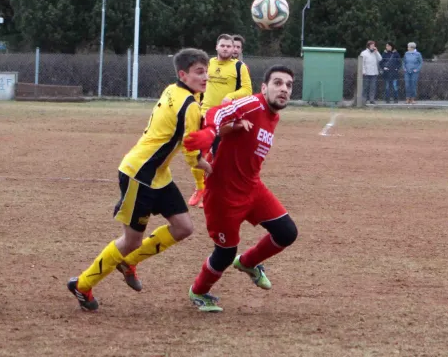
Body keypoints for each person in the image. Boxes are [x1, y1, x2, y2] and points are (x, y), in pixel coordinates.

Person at [67, 48, 213, 311]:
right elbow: (191, 150)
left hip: (158, 174)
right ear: (183, 74)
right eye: (199, 72)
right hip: (139, 174)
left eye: (206, 71)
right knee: (131, 239)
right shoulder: (189, 104)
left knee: (183, 227)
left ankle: (129, 262)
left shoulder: (175, 90)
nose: (205, 77)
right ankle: (82, 285)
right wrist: (206, 165)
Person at [182, 65, 299, 312]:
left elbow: (234, 134)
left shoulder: (272, 114)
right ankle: (199, 291)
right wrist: (212, 131)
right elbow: (217, 112)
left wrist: (229, 131)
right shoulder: (252, 105)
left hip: (253, 188)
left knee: (287, 232)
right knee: (224, 253)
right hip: (224, 194)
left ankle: (248, 263)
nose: (284, 89)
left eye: (289, 85)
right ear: (264, 88)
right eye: (278, 83)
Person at [188, 34, 252, 209]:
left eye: (229, 46)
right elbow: (198, 84)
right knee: (195, 154)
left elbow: (247, 90)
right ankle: (200, 188)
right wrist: (195, 101)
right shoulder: (208, 64)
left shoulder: (239, 67)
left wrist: (230, 96)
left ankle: (211, 193)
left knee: (218, 157)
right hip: (203, 114)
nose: (225, 48)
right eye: (222, 45)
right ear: (216, 47)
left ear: (233, 49)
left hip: (224, 117)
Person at [360, 40, 382, 104]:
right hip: (366, 73)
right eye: (372, 45)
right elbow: (362, 63)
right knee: (365, 87)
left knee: (373, 87)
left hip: (374, 73)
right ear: (368, 46)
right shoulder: (364, 53)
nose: (373, 46)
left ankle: (371, 99)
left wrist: (377, 52)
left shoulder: (375, 53)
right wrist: (363, 71)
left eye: (374, 45)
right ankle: (364, 100)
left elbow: (380, 59)